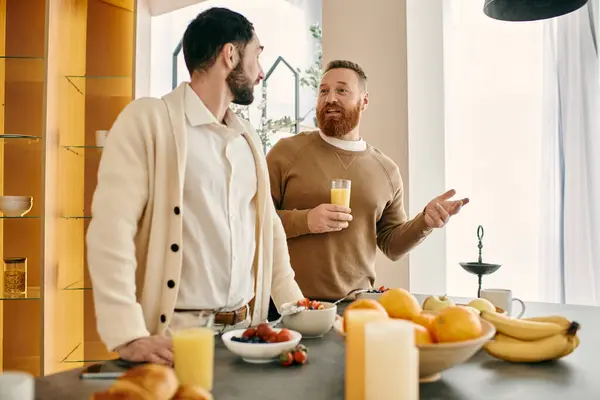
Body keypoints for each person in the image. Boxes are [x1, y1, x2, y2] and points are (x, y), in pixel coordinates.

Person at [86, 7, 304, 366]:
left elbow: (268, 228)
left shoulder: (247, 136)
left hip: (247, 335)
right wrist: (127, 333)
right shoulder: (147, 120)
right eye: (257, 55)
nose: (261, 72)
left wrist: (297, 309)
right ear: (230, 55)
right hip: (175, 341)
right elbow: (111, 231)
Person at [266, 60, 468, 305]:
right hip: (287, 304)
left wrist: (424, 221)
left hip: (356, 305)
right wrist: (306, 220)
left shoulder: (387, 170)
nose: (330, 98)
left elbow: (392, 245)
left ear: (364, 100)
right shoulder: (286, 152)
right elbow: (255, 221)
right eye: (323, 91)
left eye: (341, 90)